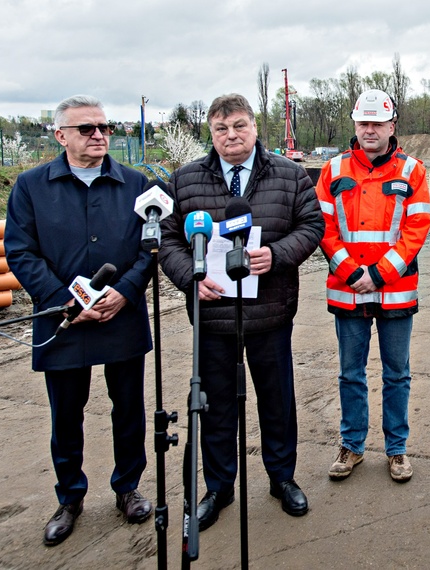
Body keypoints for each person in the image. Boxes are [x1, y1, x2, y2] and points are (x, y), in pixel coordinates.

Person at [158, 93, 323, 530]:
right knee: (213, 408)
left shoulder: (289, 176)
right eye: (221, 129)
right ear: (210, 134)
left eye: (239, 126)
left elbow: (312, 226)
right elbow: (168, 239)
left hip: (269, 312)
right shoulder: (185, 180)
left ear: (254, 127)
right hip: (212, 316)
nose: (231, 136)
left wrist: (278, 253)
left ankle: (282, 478)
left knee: (277, 402)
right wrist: (190, 277)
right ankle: (218, 487)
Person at [4, 94, 153, 545]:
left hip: (119, 316)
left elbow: (151, 248)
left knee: (128, 408)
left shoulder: (136, 184)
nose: (99, 136)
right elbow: (20, 251)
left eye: (105, 128)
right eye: (87, 129)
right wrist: (61, 299)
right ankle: (69, 496)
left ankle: (127, 487)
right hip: (63, 321)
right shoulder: (31, 186)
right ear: (61, 135)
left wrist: (126, 292)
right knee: (66, 414)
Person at [315, 89, 430, 483]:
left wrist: (378, 274)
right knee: (351, 373)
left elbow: (417, 230)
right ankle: (352, 446)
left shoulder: (412, 171)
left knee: (397, 373)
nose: (369, 130)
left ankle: (396, 449)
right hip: (347, 289)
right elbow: (324, 228)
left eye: (376, 123)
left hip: (394, 291)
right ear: (355, 124)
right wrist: (351, 272)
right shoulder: (332, 170)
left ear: (391, 126)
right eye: (363, 123)